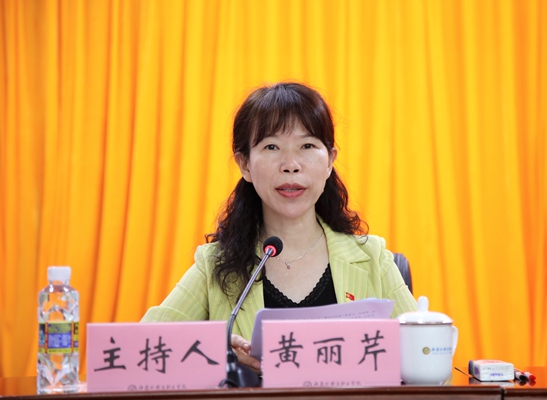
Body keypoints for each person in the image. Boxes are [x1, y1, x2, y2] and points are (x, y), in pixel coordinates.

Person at [141, 82, 417, 373]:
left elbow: (429, 362)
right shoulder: (215, 265)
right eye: (271, 147)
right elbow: (143, 352)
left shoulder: (372, 258)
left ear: (329, 161)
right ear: (245, 164)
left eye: (307, 146)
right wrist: (213, 350)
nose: (291, 165)